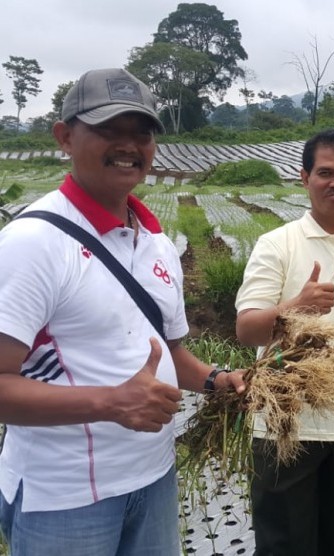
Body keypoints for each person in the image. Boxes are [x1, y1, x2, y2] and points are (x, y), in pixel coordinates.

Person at [0, 68, 246, 556]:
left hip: (153, 479)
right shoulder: (32, 243)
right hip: (64, 499)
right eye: (108, 129)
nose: (128, 144)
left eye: (142, 132)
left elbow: (168, 353)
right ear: (64, 137)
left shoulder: (155, 242)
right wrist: (113, 402)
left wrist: (218, 381)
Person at [235, 129, 334, 555]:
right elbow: (247, 330)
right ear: (304, 177)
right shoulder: (277, 245)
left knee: (332, 541)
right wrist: (293, 308)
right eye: (325, 173)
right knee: (284, 545)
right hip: (286, 425)